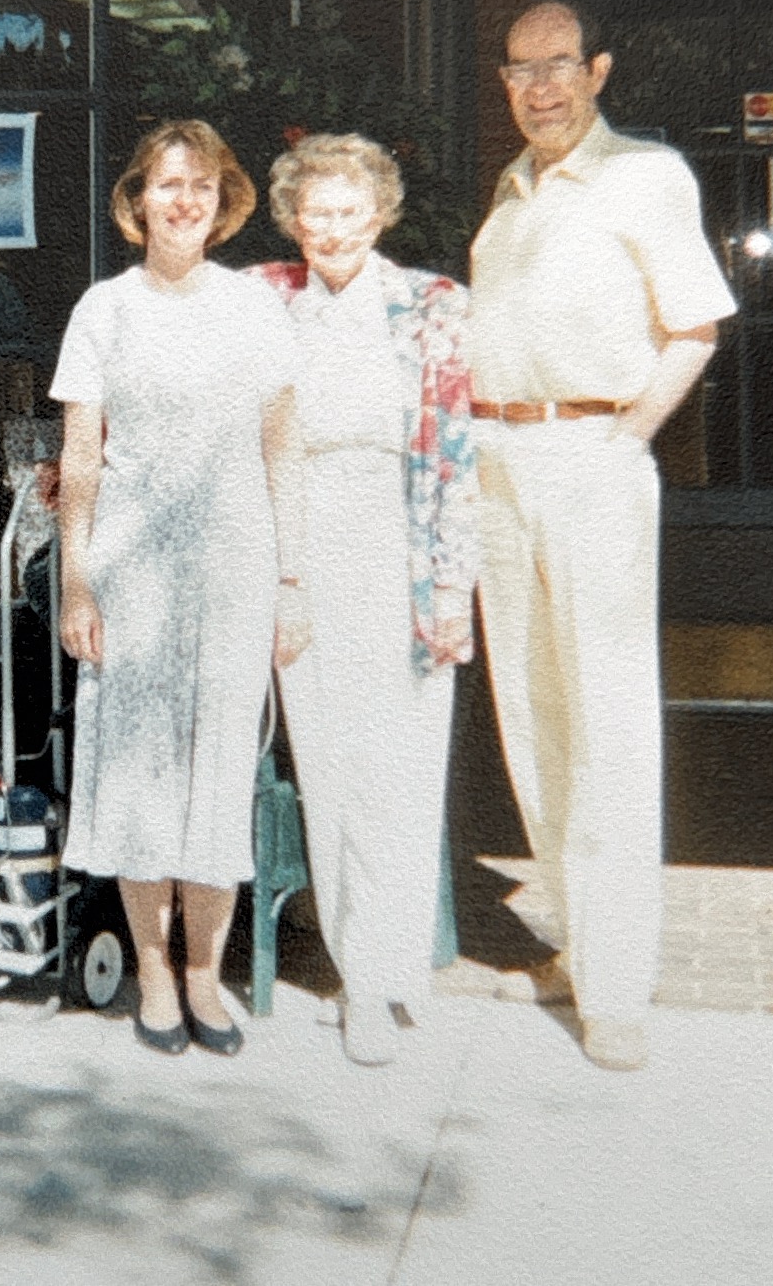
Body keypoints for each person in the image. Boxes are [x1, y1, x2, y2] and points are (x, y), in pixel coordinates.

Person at [468, 0, 736, 1072]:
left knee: (608, 715)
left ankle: (617, 985)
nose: (541, 86)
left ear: (599, 70)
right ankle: (581, 936)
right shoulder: (512, 186)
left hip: (592, 454)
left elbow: (696, 326)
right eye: (522, 69)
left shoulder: (648, 175)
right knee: (531, 709)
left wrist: (627, 441)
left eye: (561, 66)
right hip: (499, 463)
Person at [53, 120, 308, 1058]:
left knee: (216, 768)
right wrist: (78, 577)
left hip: (236, 565)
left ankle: (206, 970)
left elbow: (283, 449)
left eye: (202, 183)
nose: (185, 199)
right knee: (138, 771)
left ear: (225, 200)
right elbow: (82, 458)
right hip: (131, 564)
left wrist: (292, 581)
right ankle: (153, 972)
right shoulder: (103, 310)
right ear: (138, 198)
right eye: (167, 183)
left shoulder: (254, 308)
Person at [252, 133, 478, 1067]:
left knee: (402, 764)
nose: (332, 228)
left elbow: (455, 451)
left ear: (380, 213)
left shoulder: (431, 304)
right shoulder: (266, 300)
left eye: (350, 210)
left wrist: (454, 586)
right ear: (293, 218)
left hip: (401, 545)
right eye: (316, 211)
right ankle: (359, 974)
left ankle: (386, 974)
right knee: (332, 764)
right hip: (297, 544)